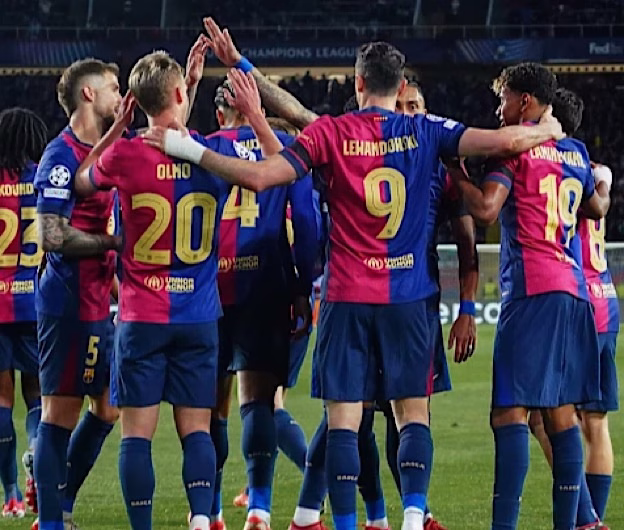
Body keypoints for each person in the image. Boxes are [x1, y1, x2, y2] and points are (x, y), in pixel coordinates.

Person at [144, 30, 564, 530]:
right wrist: (546, 127)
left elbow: (260, 174)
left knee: (344, 419)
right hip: (409, 297)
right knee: (412, 415)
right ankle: (413, 516)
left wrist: (191, 140)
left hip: (345, 297)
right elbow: (508, 141)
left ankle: (342, 522)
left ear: (358, 82)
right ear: (399, 85)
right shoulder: (427, 130)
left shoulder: (332, 132)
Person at [447, 63, 611, 530]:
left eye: (503, 99)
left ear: (524, 102)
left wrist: (453, 170)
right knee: (560, 413)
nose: (499, 109)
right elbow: (595, 207)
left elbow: (485, 209)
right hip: (574, 292)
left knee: (509, 413)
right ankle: (574, 524)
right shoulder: (576, 152)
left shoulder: (512, 150)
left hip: (532, 290)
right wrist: (603, 183)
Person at [205, 80, 319, 530]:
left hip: (208, 290)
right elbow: (306, 222)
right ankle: (259, 509)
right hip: (266, 286)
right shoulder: (286, 150)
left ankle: (209, 511)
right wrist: (302, 286)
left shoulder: (203, 148)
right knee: (259, 402)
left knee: (210, 408)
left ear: (219, 114)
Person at [33, 58, 123, 530]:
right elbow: (51, 235)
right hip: (69, 303)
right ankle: (51, 519)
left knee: (107, 407)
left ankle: (59, 501)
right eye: (113, 87)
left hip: (97, 302)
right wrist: (112, 244)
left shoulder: (105, 151)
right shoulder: (61, 156)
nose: (119, 95)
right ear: (88, 95)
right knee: (60, 414)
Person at [528, 87, 617, 530]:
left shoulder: (557, 163)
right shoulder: (595, 169)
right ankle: (592, 518)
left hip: (574, 302)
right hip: (607, 303)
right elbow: (600, 202)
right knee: (595, 423)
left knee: (543, 418)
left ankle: (585, 517)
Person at [0, 108, 47, 519]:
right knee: (37, 395)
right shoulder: (44, 179)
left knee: (1, 399)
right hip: (35, 305)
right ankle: (36, 452)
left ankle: (12, 494)